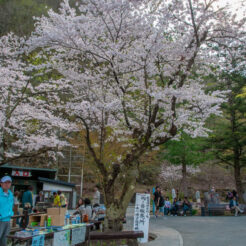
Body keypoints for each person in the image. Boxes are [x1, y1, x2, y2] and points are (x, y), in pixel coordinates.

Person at [0, 176, 14, 246]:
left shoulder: (10, 194)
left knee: (4, 240)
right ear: (1, 184)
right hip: (0, 220)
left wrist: (11, 213)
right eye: (5, 182)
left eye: (9, 182)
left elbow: (11, 205)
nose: (7, 184)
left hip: (8, 220)